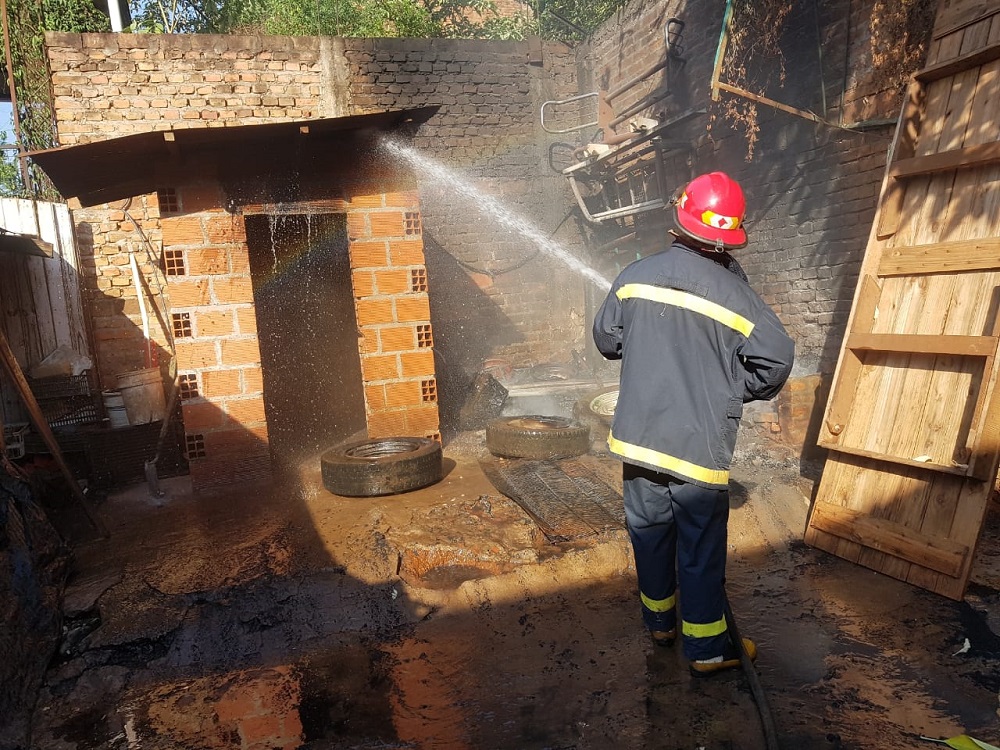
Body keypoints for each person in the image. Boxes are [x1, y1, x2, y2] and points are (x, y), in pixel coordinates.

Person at [592, 171, 794, 676]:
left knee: (650, 531)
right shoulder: (740, 298)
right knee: (700, 547)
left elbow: (607, 340)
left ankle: (659, 625)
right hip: (697, 446)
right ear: (730, 235)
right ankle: (706, 650)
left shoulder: (634, 276)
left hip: (639, 439)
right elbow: (775, 363)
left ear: (680, 220)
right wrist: (728, 388)